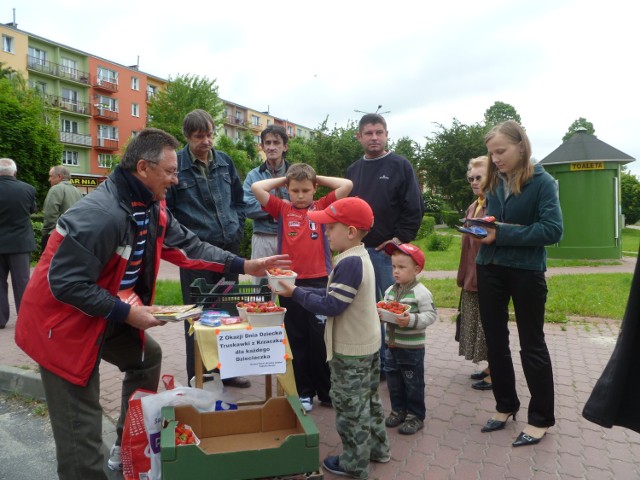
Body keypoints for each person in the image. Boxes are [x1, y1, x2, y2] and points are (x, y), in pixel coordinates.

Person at [14, 128, 290, 480]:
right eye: (171, 172)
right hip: (61, 328)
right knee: (81, 445)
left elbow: (190, 246)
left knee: (148, 357)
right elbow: (66, 284)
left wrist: (244, 265)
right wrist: (128, 312)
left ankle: (126, 442)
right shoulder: (100, 214)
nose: (176, 180)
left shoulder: (151, 205)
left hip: (102, 314)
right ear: (143, 168)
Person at [277, 197, 390, 480]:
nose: (325, 233)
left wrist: (295, 294)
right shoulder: (359, 256)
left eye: (330, 228)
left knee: (350, 407)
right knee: (370, 400)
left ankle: (354, 462)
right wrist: (303, 291)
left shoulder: (349, 263)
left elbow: (331, 306)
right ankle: (378, 448)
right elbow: (334, 297)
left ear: (350, 231)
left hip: (351, 350)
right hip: (368, 343)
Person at [471, 120, 562, 447]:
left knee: (532, 344)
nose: (495, 159)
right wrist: (480, 228)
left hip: (526, 272)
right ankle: (505, 406)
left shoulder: (543, 182)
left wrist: (501, 233)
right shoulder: (494, 180)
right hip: (490, 267)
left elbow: (552, 230)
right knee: (495, 342)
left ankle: (540, 419)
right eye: (492, 153)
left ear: (521, 146)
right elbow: (495, 224)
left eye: (501, 151)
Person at [252, 163, 352, 411]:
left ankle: (326, 392)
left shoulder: (322, 206)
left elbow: (347, 185)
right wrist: (285, 179)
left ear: (314, 189)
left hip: (319, 282)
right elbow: (256, 187)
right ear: (287, 189)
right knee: (296, 339)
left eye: (306, 190)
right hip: (288, 282)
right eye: (294, 190)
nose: (300, 195)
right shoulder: (282, 208)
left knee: (320, 340)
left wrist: (314, 176)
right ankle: (304, 392)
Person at [165, 109, 249, 388]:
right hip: (195, 256)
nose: (207, 141)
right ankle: (198, 374)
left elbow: (239, 200)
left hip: (228, 249)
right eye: (200, 136)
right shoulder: (175, 165)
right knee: (198, 314)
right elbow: (168, 211)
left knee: (228, 311)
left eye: (210, 135)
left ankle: (229, 371)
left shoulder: (225, 161)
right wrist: (185, 242)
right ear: (187, 136)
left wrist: (237, 227)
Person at [346, 113, 424, 378]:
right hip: (357, 253)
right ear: (359, 137)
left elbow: (414, 207)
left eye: (379, 132)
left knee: (388, 309)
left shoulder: (400, 165)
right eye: (368, 133)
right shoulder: (353, 171)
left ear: (387, 134)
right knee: (364, 309)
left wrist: (398, 241)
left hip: (385, 254)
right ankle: (374, 361)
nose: (374, 137)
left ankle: (393, 363)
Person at [381, 242, 437, 435]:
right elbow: (386, 310)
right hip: (391, 346)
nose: (396, 271)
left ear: (416, 270)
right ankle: (398, 410)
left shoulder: (421, 292)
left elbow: (431, 315)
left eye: (402, 267)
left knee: (413, 383)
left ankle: (415, 415)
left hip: (411, 349)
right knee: (394, 382)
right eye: (394, 266)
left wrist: (411, 319)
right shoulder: (389, 290)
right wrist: (380, 314)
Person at [456, 156, 492, 390]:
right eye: (471, 178)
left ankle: (496, 372)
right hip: (472, 275)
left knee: (489, 326)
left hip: (488, 276)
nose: (474, 182)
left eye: (479, 177)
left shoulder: (494, 206)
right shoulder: (474, 205)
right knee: (477, 323)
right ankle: (490, 367)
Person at [243, 125, 291, 284]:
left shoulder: (296, 173)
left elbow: (304, 202)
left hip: (291, 238)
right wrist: (277, 207)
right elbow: (247, 206)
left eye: (276, 142)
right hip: (262, 237)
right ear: (262, 146)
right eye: (267, 143)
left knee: (290, 287)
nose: (271, 147)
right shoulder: (253, 176)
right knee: (261, 289)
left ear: (285, 146)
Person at [0, 158, 37, 329]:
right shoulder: (28, 189)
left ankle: (0, 320)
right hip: (20, 243)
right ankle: (26, 319)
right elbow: (32, 210)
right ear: (14, 172)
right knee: (22, 281)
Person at [41, 165, 83, 251]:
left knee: (51, 264)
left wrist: (45, 233)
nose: (49, 179)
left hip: (57, 236)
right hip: (75, 237)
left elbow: (50, 214)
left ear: (59, 176)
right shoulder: (78, 191)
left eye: (51, 176)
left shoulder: (56, 189)